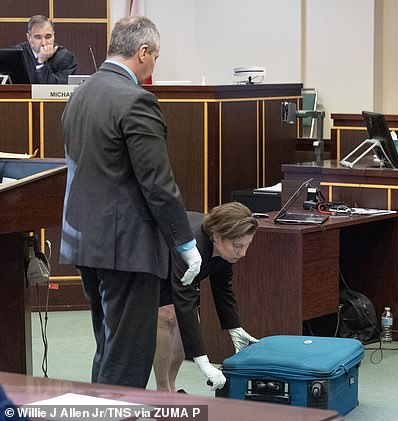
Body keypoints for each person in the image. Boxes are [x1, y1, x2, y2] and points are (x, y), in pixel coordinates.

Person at [59, 16, 202, 389]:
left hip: (85, 242)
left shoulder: (81, 95)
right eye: (156, 57)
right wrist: (185, 244)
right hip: (127, 248)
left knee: (108, 348)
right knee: (127, 358)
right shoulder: (136, 100)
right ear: (143, 52)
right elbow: (157, 183)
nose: (155, 65)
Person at [154, 203, 260, 392]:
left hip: (176, 270)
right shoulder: (193, 246)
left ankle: (171, 386)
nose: (243, 253)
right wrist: (203, 361)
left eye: (247, 246)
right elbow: (184, 299)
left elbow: (222, 288)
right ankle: (163, 391)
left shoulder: (223, 248)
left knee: (185, 320)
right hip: (152, 263)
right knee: (168, 315)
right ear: (217, 237)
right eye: (238, 246)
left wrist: (234, 327)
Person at [14, 15, 78, 84]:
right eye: (38, 37)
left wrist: (41, 63)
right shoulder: (16, 55)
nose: (44, 43)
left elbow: (56, 90)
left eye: (48, 37)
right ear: (29, 37)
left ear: (53, 35)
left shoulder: (65, 57)